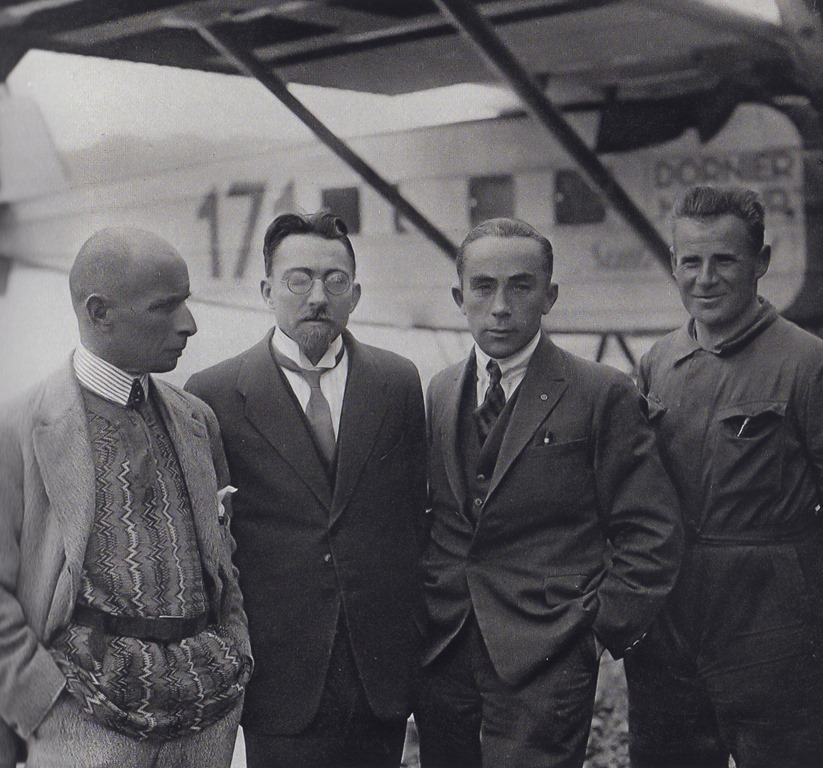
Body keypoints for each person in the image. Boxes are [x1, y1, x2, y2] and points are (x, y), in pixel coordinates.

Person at [415, 216, 683, 768]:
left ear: (550, 296)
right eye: (483, 287)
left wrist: (597, 632)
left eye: (521, 286)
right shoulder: (441, 390)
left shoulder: (600, 391)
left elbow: (651, 530)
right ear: (458, 298)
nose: (501, 306)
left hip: (548, 658)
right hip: (446, 650)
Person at [0, 227, 253, 768]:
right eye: (165, 306)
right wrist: (42, 705)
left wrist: (236, 648)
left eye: (186, 301)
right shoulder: (19, 430)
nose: (189, 323)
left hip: (206, 724)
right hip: (81, 725)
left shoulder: (197, 419)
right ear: (99, 312)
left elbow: (222, 560)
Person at [186, 211, 427, 768]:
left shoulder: (397, 382)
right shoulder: (215, 392)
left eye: (335, 281)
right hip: (279, 681)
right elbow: (211, 547)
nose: (318, 297)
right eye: (299, 280)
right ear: (267, 291)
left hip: (379, 676)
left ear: (355, 295)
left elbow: (413, 517)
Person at [623, 186, 823, 768]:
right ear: (673, 264)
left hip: (774, 626)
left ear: (761, 262)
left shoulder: (807, 363)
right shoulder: (657, 363)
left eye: (725, 261)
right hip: (670, 624)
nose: (705, 279)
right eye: (691, 261)